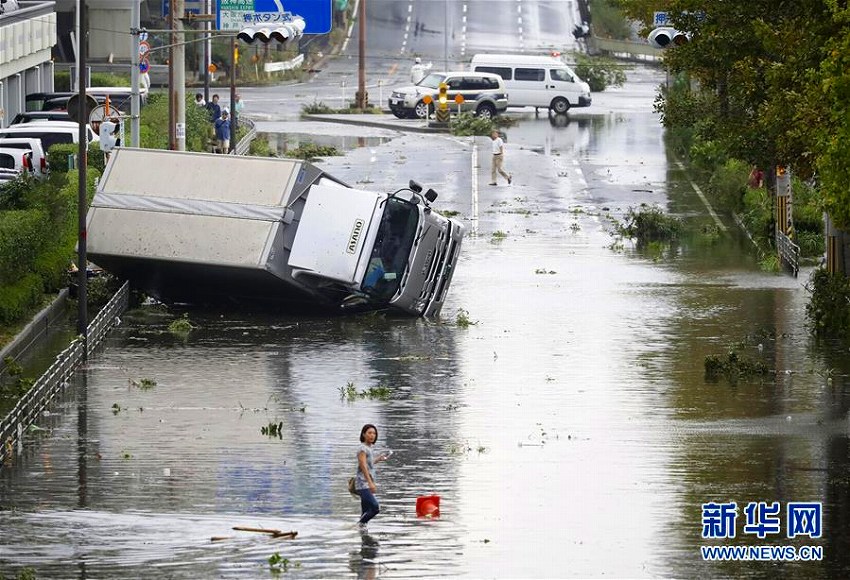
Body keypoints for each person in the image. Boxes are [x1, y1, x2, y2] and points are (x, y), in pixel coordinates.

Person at [354, 424, 390, 529]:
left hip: (365, 483)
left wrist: (378, 459)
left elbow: (368, 465)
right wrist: (370, 483)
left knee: (365, 512)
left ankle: (362, 533)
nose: (372, 435)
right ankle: (357, 526)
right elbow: (363, 466)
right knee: (375, 508)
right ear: (363, 434)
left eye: (374, 433)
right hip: (362, 484)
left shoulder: (369, 448)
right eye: (369, 433)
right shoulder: (362, 449)